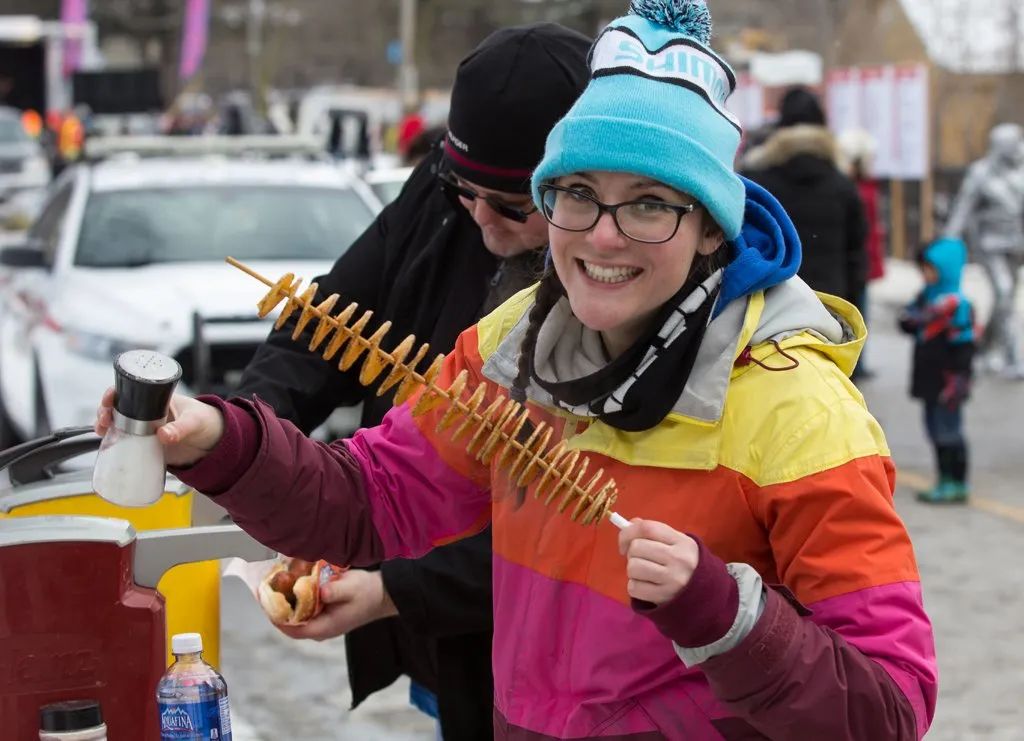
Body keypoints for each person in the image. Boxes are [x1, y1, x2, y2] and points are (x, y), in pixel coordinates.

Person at [97, 1, 938, 737]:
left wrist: (726, 615)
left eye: (649, 203)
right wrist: (216, 437)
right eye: (577, 193)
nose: (603, 236)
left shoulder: (801, 416)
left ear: (711, 227)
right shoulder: (513, 344)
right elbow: (371, 503)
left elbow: (890, 708)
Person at [232, 23, 591, 741]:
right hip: (428, 614)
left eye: (513, 205)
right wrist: (243, 430)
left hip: (553, 639)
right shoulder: (441, 199)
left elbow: (580, 527)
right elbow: (325, 329)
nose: (481, 219)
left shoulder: (617, 275)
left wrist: (393, 586)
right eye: (466, 190)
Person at [743, 86, 868, 308]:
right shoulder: (843, 186)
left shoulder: (756, 183)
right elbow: (856, 259)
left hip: (771, 308)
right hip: (831, 305)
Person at [898, 238, 975, 504]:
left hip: (948, 382)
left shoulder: (957, 305)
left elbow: (965, 346)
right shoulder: (925, 298)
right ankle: (944, 478)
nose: (926, 274)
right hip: (929, 378)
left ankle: (957, 481)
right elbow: (907, 323)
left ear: (946, 268)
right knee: (934, 430)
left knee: (948, 432)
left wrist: (959, 381)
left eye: (930, 268)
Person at [945, 122, 1024, 378]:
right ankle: (1014, 358)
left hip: (1016, 245)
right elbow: (963, 209)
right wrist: (948, 241)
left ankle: (983, 348)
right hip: (990, 245)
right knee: (1003, 292)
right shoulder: (981, 173)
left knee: (1006, 300)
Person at [839, 128, 887, 379]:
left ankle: (859, 361)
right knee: (856, 310)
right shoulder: (854, 189)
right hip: (859, 258)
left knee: (861, 311)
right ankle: (855, 361)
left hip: (864, 257)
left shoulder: (859, 186)